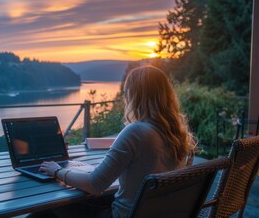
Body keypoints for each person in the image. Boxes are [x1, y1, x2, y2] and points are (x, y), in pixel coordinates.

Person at [36, 65, 196, 218]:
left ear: (135, 96)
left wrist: (57, 171)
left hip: (123, 215)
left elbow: (95, 184)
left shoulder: (137, 131)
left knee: (50, 204)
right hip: (154, 212)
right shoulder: (178, 135)